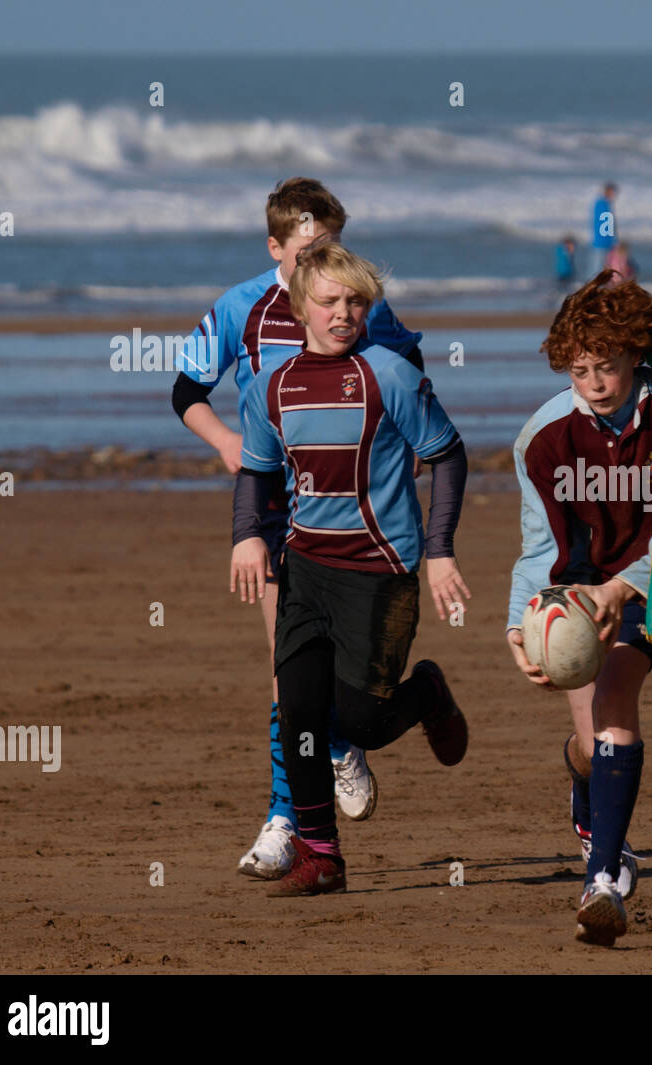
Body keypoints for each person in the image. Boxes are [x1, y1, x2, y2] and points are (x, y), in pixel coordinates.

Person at [171, 177, 425, 880]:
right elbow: (187, 389)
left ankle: (343, 741)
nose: (329, 260)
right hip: (278, 505)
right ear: (276, 245)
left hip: (353, 508)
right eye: (312, 248)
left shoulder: (354, 304)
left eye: (336, 244)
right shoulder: (242, 307)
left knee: (341, 681)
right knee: (287, 672)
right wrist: (228, 445)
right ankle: (288, 818)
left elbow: (410, 373)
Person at [230, 240, 470, 896]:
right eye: (331, 300)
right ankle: (322, 856)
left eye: (356, 301)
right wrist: (247, 538)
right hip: (304, 566)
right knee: (300, 712)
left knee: (361, 721)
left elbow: (448, 456)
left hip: (380, 569)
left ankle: (426, 692)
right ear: (298, 305)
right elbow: (255, 472)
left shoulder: (389, 374)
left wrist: (441, 548)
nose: (344, 313)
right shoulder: (269, 388)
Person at [506, 271, 652, 947]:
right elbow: (538, 544)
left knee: (615, 696)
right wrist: (521, 625)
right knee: (587, 741)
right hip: (577, 589)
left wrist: (625, 587)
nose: (595, 382)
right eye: (580, 370)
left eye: (607, 366)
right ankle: (588, 801)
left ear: (637, 354)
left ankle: (602, 878)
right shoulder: (541, 439)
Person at [588, 183, 618, 279]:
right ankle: (591, 288)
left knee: (600, 267)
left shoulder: (604, 203)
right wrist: (612, 241)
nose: (614, 195)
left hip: (604, 241)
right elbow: (605, 224)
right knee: (596, 268)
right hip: (602, 241)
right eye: (613, 192)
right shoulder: (602, 203)